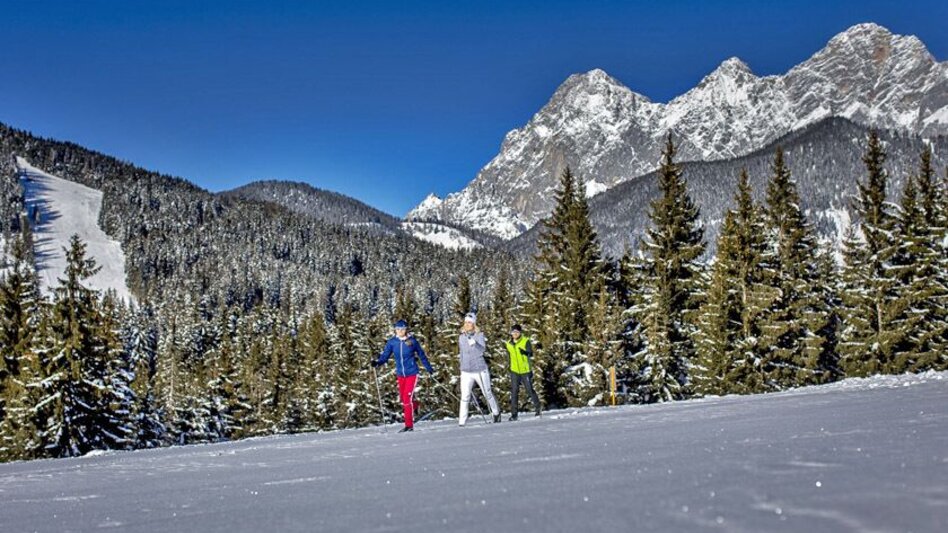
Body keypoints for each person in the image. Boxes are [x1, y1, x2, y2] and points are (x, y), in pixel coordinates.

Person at [372, 319, 434, 433]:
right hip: (401, 374)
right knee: (404, 398)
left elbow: (421, 355)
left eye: (403, 329)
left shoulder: (412, 341)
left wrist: (429, 368)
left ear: (406, 330)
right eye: (398, 329)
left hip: (412, 373)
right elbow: (385, 355)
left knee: (406, 399)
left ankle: (409, 425)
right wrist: (378, 363)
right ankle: (415, 405)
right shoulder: (392, 342)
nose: (401, 331)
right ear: (395, 330)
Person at [457, 312, 501, 426]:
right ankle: (462, 421)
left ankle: (496, 413)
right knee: (465, 396)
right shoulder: (461, 337)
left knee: (487, 393)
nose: (467, 324)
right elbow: (461, 353)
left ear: (474, 324)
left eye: (470, 322)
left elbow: (482, 350)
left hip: (479, 369)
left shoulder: (479, 335)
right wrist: (461, 366)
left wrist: (475, 343)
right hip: (466, 370)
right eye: (466, 322)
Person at [504, 324, 541, 420]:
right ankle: (514, 414)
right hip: (514, 370)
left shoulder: (525, 341)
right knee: (514, 392)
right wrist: (509, 366)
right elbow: (508, 356)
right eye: (513, 332)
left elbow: (530, 352)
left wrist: (525, 352)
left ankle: (538, 409)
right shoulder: (508, 343)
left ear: (520, 333)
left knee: (529, 390)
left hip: (525, 370)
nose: (515, 334)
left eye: (517, 332)